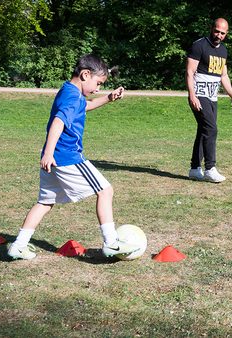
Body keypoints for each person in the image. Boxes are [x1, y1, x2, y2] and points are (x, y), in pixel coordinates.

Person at [7, 54, 136, 260]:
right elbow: (59, 122)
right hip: (67, 157)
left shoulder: (68, 90)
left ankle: (18, 245)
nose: (98, 89)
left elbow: (84, 107)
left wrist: (108, 98)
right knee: (105, 191)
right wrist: (49, 152)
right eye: (98, 84)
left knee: (45, 202)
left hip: (53, 158)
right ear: (85, 74)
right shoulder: (73, 96)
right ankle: (111, 243)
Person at [186, 18, 232, 183]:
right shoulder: (199, 45)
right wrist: (192, 95)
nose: (219, 35)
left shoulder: (223, 50)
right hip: (199, 95)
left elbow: (224, 76)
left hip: (212, 96)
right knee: (211, 129)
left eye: (223, 33)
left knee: (204, 130)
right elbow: (189, 72)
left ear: (226, 34)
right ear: (211, 29)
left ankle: (195, 169)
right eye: (217, 31)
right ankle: (210, 168)